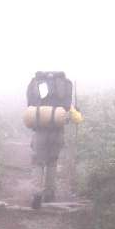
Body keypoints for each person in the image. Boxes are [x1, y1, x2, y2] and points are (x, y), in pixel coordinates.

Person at [26, 71, 73, 208]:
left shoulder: (36, 83)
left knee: (38, 162)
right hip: (57, 130)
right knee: (52, 162)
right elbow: (67, 107)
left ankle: (36, 193)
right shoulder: (65, 84)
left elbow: (30, 105)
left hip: (40, 130)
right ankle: (50, 194)